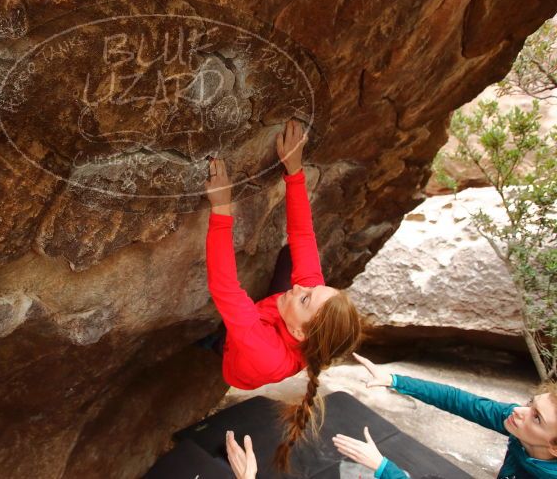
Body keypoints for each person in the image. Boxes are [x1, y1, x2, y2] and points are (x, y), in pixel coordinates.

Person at [204, 119, 363, 470]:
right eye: (314, 289)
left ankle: (209, 342)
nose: (303, 287)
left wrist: (221, 209)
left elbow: (225, 288)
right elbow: (304, 237)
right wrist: (294, 170)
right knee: (296, 256)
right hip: (275, 322)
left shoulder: (264, 353)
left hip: (238, 354)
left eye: (307, 297)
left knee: (223, 330)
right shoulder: (307, 312)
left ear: (299, 332)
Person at [333, 352, 557, 479]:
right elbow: (458, 401)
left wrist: (384, 468)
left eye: (537, 417)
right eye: (531, 404)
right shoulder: (519, 422)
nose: (519, 411)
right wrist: (395, 381)